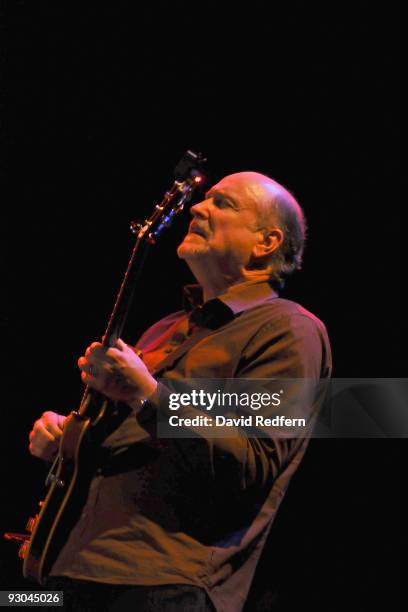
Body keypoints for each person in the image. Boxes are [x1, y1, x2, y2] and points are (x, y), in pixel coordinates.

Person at [29, 171, 332, 611]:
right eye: (203, 200)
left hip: (158, 588)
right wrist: (64, 439)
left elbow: (250, 461)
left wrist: (146, 394)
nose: (196, 208)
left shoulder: (289, 329)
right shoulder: (165, 328)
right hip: (59, 575)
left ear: (266, 242)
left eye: (222, 204)